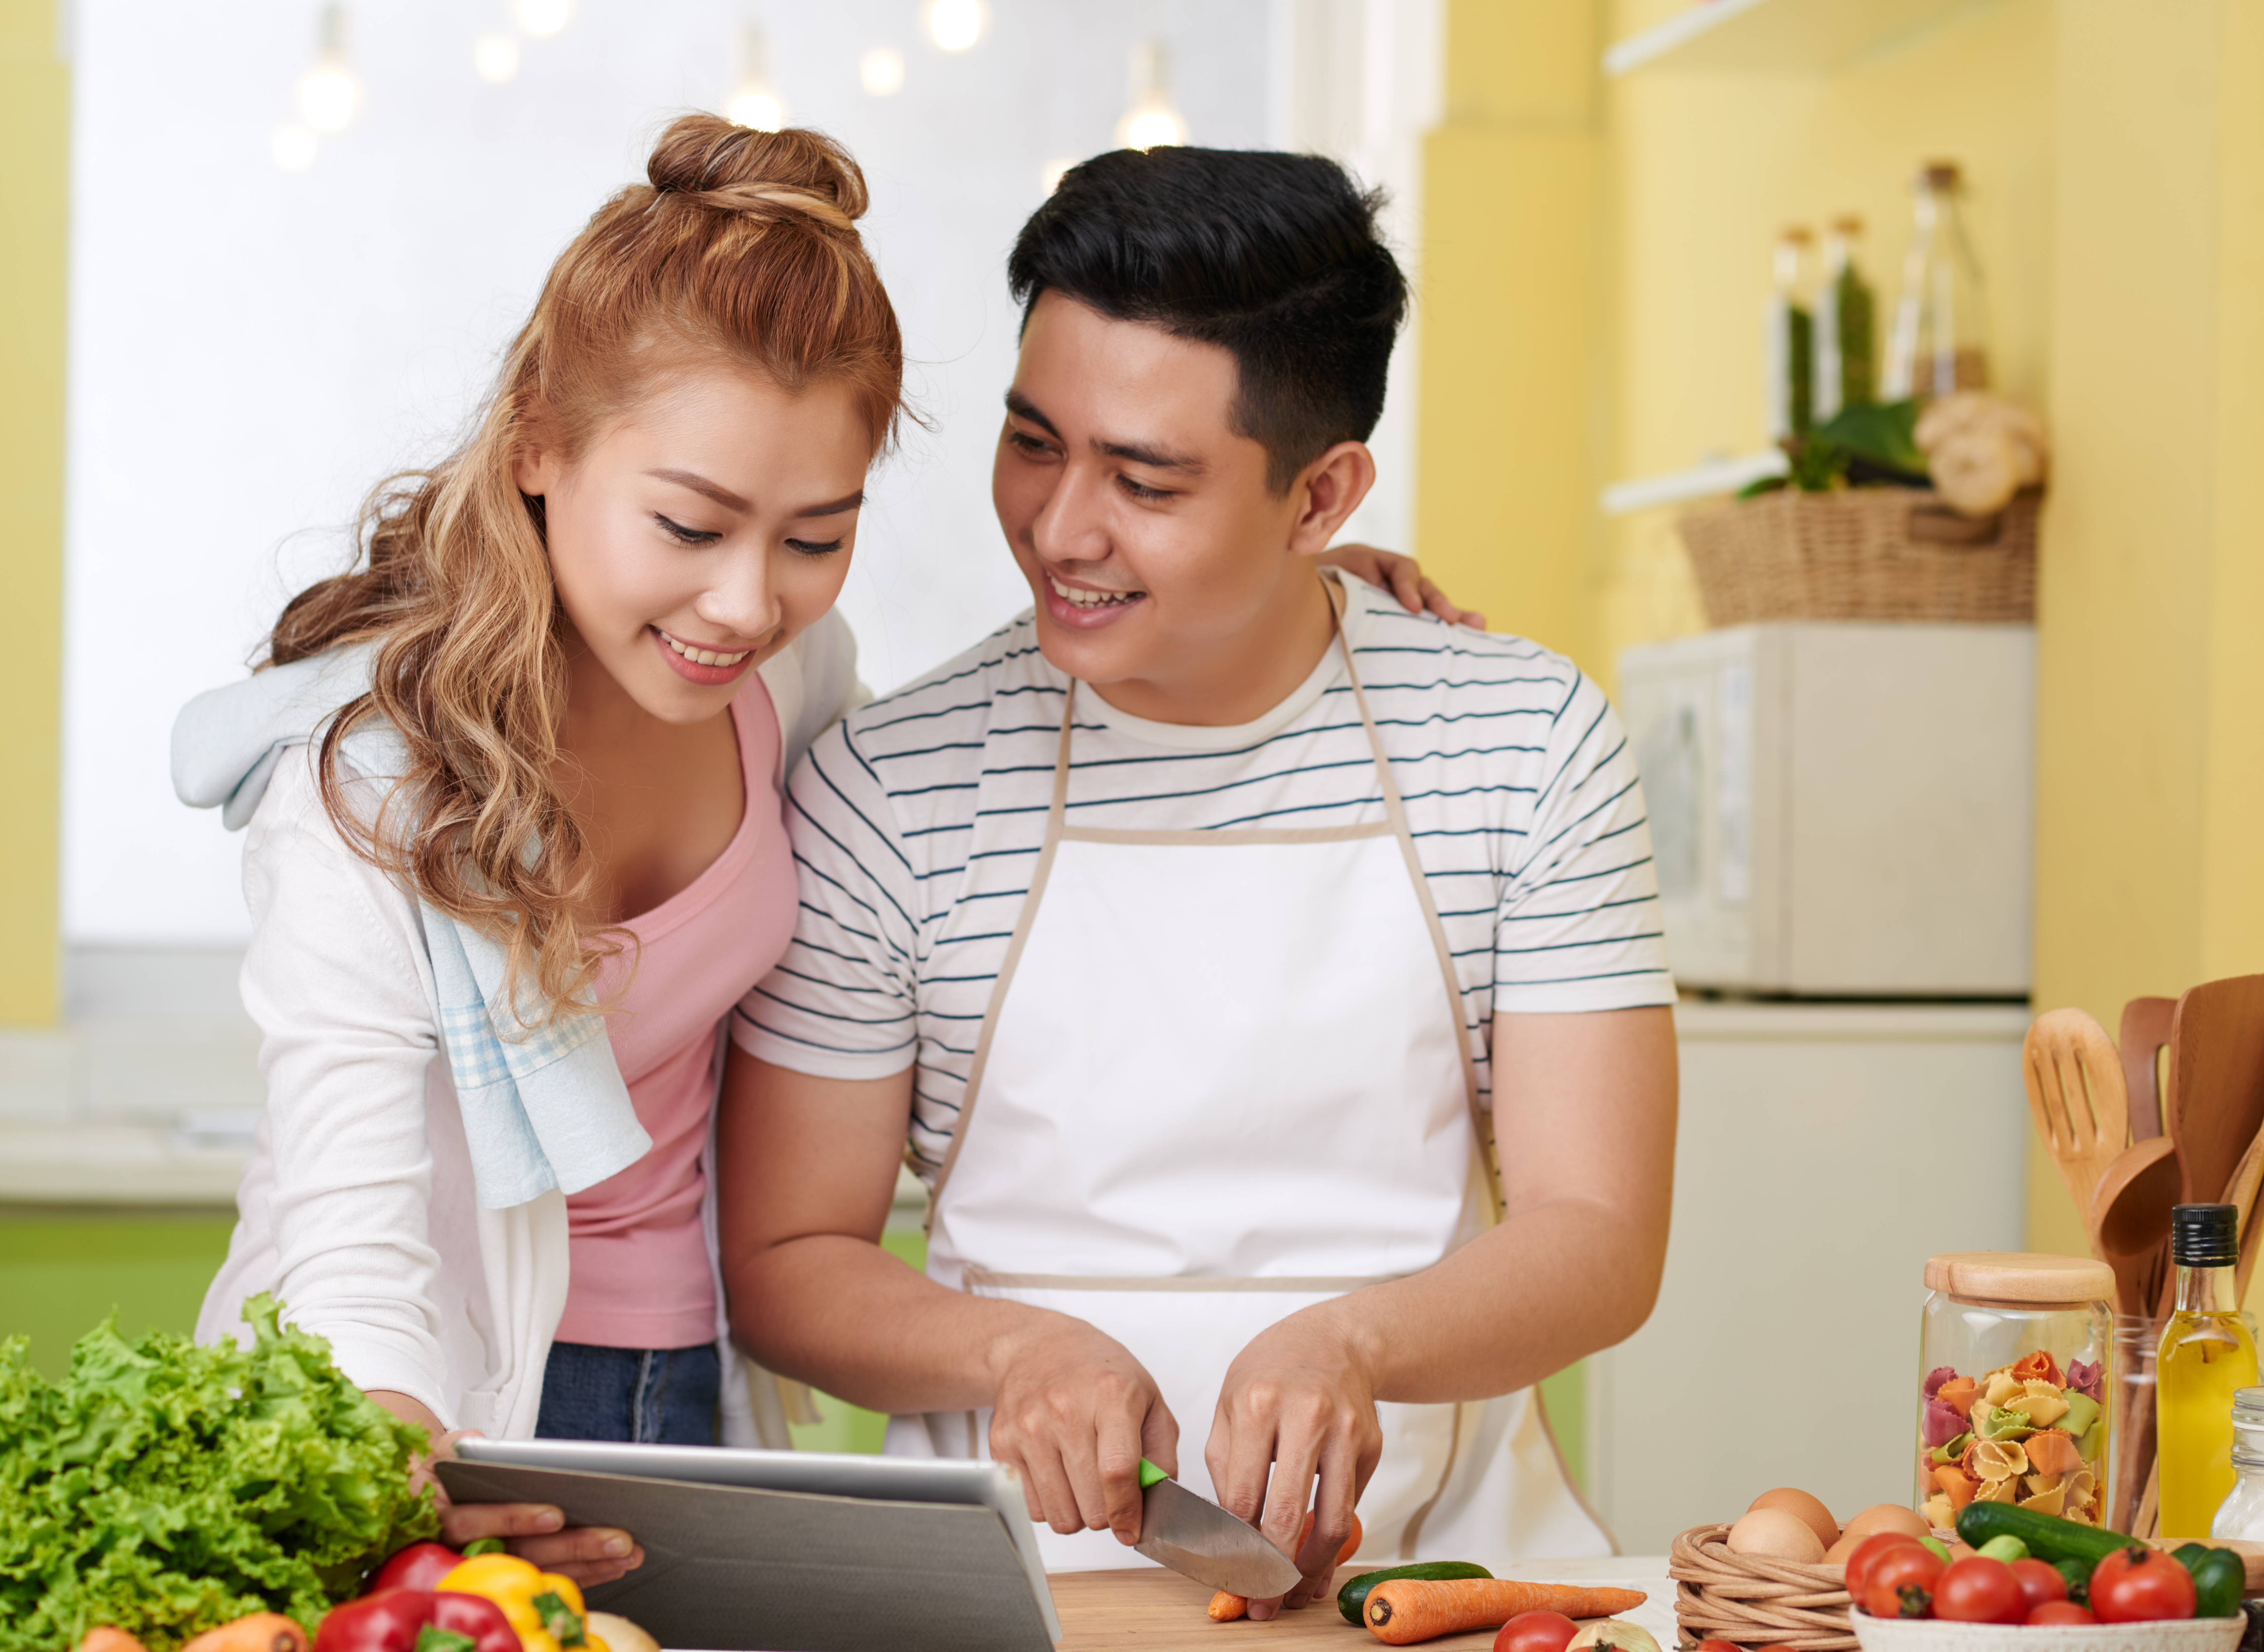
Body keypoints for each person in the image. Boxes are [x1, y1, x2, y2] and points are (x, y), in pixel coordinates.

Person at [169, 116, 1456, 1588]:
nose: (741, 601)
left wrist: (1285, 579)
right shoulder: (362, 783)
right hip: (420, 1406)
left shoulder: (786, 680)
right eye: (690, 524)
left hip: (694, 1399)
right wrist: (394, 1466)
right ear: (538, 442)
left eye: (812, 536)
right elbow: (352, 1215)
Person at [719, 146, 1680, 1614]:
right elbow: (786, 1255)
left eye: (1145, 479)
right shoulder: (892, 783)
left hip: (1444, 1569)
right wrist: (1013, 1353)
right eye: (1034, 441)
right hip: (1018, 1588)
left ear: (1322, 499)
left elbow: (1599, 1239)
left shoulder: (1522, 743)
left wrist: (1351, 1343)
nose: (1059, 528)